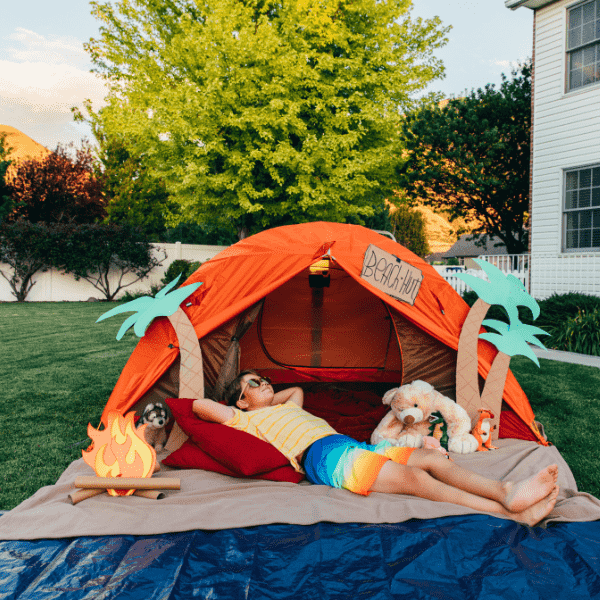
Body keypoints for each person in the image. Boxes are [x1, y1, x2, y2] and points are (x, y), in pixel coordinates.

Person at [192, 370, 560, 527]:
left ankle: (506, 491)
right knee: (414, 478)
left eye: (265, 378)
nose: (266, 383)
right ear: (240, 401)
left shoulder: (286, 407)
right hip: (323, 458)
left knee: (431, 458)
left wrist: (265, 394)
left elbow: (295, 393)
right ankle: (509, 515)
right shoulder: (243, 420)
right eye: (255, 383)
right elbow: (196, 406)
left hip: (349, 444)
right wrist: (243, 405)